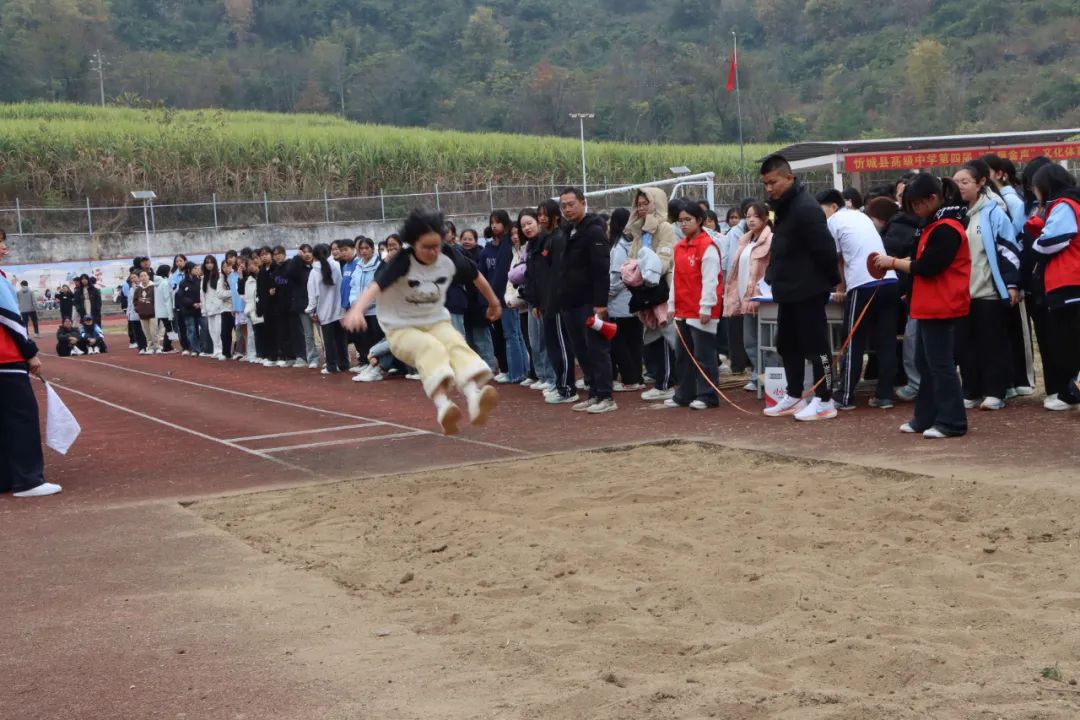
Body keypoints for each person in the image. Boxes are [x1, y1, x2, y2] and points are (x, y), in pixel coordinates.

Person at [343, 208, 502, 435]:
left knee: (455, 343)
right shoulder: (401, 262)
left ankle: (474, 398)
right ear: (413, 243)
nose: (433, 252)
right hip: (400, 328)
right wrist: (357, 309)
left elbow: (475, 275)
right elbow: (375, 286)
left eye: (436, 246)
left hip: (434, 321)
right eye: (426, 247)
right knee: (430, 348)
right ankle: (443, 406)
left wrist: (494, 302)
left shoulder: (448, 255)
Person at [873, 174, 970, 439]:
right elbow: (921, 261)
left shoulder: (947, 228)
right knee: (924, 363)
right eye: (911, 205)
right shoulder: (931, 225)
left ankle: (952, 422)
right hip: (927, 303)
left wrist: (893, 262)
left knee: (940, 365)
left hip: (942, 303)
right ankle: (925, 417)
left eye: (917, 203)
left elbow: (928, 266)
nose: (915, 209)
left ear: (933, 198)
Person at [758, 154, 841, 421]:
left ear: (789, 178)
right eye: (765, 184)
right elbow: (781, 247)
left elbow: (825, 249)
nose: (769, 188)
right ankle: (794, 394)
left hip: (809, 289)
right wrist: (772, 275)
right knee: (787, 344)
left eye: (773, 182)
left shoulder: (806, 208)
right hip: (787, 290)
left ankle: (825, 399)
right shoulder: (782, 207)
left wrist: (828, 281)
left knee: (818, 348)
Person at [818, 189, 900, 410]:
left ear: (833, 206)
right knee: (886, 341)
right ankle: (885, 395)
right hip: (889, 281)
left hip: (863, 284)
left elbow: (837, 260)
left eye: (821, 210)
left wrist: (840, 288)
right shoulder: (861, 216)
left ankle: (844, 396)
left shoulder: (833, 221)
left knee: (853, 341)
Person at [952, 161, 1022, 411]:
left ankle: (995, 392)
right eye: (956, 182)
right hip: (961, 294)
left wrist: (1011, 284)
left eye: (965, 182)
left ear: (981, 182)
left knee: (992, 344)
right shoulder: (955, 215)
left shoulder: (994, 213)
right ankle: (971, 391)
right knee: (965, 346)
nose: (959, 187)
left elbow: (1009, 250)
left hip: (988, 291)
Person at [0, 229, 62, 498]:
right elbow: (11, 319)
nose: (4, 248)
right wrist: (30, 352)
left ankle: (6, 478)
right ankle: (27, 481)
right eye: (0, 243)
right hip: (6, 358)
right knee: (21, 416)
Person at [558, 187, 617, 414]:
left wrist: (600, 304)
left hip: (589, 302)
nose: (567, 209)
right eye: (563, 206)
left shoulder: (594, 231)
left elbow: (601, 270)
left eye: (571, 204)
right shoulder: (568, 231)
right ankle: (593, 392)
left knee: (596, 349)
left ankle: (606, 395)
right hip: (570, 302)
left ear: (583, 203)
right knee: (581, 350)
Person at [1029, 163, 1080, 410]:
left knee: (1068, 340)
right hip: (1068, 280)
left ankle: (1072, 392)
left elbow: (1051, 241)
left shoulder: (1064, 205)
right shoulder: (1072, 202)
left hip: (1068, 280)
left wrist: (1036, 241)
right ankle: (1070, 392)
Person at [666, 202, 723, 410]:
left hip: (701, 310)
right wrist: (671, 303)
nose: (683, 224)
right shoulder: (679, 247)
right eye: (680, 221)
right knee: (683, 355)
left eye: (688, 220)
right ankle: (684, 394)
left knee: (704, 354)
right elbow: (676, 278)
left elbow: (710, 279)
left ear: (699, 221)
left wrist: (706, 306)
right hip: (683, 309)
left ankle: (708, 395)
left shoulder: (707, 246)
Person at [867, 196, 921, 402]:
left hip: (899, 290)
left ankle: (910, 385)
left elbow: (889, 260)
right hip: (907, 290)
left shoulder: (895, 231)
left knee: (896, 340)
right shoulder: (914, 225)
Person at [626, 187, 677, 402]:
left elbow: (666, 258)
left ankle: (667, 383)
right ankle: (660, 379)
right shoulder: (639, 231)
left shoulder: (665, 228)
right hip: (644, 290)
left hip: (661, 290)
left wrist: (648, 270)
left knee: (665, 335)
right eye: (638, 204)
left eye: (645, 203)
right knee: (652, 336)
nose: (641, 208)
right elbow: (632, 258)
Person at [722, 201, 772, 392]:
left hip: (762, 299)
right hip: (745, 298)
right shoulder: (745, 241)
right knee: (750, 341)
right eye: (748, 216)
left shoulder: (771, 240)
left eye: (756, 216)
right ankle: (758, 374)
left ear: (765, 218)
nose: (751, 220)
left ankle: (769, 378)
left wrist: (761, 289)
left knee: (765, 341)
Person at [534, 200, 579, 404]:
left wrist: (555, 301)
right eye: (539, 214)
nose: (542, 218)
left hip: (557, 303)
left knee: (561, 346)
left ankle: (568, 388)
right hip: (547, 302)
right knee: (553, 347)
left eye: (545, 214)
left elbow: (558, 274)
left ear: (555, 216)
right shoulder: (546, 239)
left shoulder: (559, 238)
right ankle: (561, 386)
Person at [481, 210, 529, 384]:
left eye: (498, 222)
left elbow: (505, 275)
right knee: (514, 335)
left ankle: (516, 373)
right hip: (502, 297)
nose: (494, 226)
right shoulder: (495, 247)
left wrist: (499, 297)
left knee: (512, 335)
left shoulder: (509, 245)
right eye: (492, 222)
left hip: (507, 298)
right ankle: (521, 371)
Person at [515, 210, 556, 392]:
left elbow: (544, 275)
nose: (527, 228)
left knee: (545, 340)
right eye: (523, 225)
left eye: (529, 223)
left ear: (538, 222)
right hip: (533, 299)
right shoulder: (529, 246)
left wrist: (539, 301)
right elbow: (530, 274)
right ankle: (543, 375)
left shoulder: (546, 241)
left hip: (544, 300)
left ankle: (551, 377)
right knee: (535, 340)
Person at [606, 207, 645, 393]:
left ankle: (630, 378)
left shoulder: (618, 247)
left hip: (620, 303)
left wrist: (606, 295)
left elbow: (617, 277)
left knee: (620, 343)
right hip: (633, 300)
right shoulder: (635, 243)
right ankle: (637, 377)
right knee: (634, 342)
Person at [306, 244, 348, 374]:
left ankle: (331, 366)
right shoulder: (336, 266)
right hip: (339, 309)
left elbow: (313, 295)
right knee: (341, 339)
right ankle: (344, 364)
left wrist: (311, 311)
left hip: (324, 311)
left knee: (329, 340)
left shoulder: (314, 272)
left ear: (314, 256)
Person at [348, 237, 384, 374]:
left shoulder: (378, 265)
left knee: (376, 339)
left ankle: (379, 367)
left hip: (375, 310)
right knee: (363, 339)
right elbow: (353, 287)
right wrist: (355, 303)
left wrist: (365, 304)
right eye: (361, 248)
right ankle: (367, 363)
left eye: (366, 248)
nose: (364, 251)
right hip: (361, 312)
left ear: (372, 249)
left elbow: (378, 287)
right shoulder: (358, 266)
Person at [287, 244, 319, 368]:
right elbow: (289, 272)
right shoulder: (298, 268)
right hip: (303, 306)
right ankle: (312, 358)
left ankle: (329, 358)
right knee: (308, 334)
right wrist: (297, 257)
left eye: (309, 251)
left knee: (322, 333)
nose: (307, 254)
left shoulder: (317, 267)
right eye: (304, 252)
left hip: (319, 305)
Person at [200, 254, 229, 360]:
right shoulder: (203, 278)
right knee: (212, 330)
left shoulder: (220, 276)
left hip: (219, 308)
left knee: (219, 330)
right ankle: (216, 350)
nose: (209, 265)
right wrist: (204, 308)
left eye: (211, 262)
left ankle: (221, 350)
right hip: (209, 308)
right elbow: (202, 295)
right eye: (207, 263)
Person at [176, 262, 203, 354]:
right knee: (192, 330)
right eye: (194, 268)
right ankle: (195, 349)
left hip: (201, 309)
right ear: (189, 270)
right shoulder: (183, 283)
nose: (197, 270)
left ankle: (204, 348)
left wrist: (200, 303)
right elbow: (181, 297)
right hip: (188, 310)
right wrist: (192, 303)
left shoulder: (199, 281)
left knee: (205, 328)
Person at [242, 255, 264, 363]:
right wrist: (248, 310)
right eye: (249, 265)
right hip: (253, 311)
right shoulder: (248, 281)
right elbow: (247, 298)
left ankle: (266, 354)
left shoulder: (263, 276)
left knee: (265, 333)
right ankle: (258, 354)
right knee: (256, 333)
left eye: (254, 264)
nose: (251, 266)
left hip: (264, 309)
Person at [133, 270, 159, 354]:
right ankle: (150, 347)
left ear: (148, 277)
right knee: (147, 333)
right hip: (142, 314)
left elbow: (157, 300)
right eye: (141, 276)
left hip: (153, 313)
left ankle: (157, 347)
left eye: (145, 275)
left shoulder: (153, 287)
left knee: (154, 332)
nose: (143, 278)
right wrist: (138, 309)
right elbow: (135, 300)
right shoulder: (138, 289)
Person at [153, 265, 175, 353]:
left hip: (158, 309)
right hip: (165, 310)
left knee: (162, 329)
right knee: (170, 329)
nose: (170, 273)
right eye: (169, 271)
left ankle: (163, 346)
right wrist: (170, 312)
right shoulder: (165, 283)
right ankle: (167, 347)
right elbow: (167, 298)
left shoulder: (154, 283)